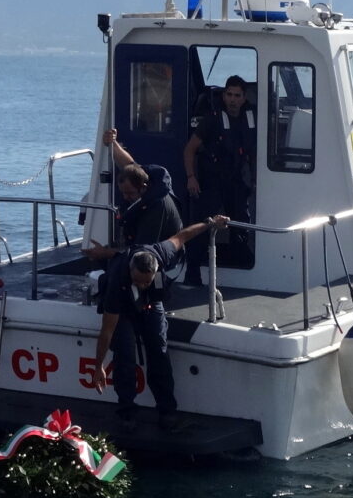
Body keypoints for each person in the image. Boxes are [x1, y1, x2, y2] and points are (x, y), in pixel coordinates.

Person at [85, 215, 229, 431]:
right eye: (138, 281)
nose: (142, 285)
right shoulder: (117, 282)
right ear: (130, 271)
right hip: (123, 309)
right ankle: (126, 412)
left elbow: (183, 235)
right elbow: (106, 331)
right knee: (124, 355)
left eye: (147, 281)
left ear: (156, 272)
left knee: (159, 352)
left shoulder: (161, 253)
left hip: (152, 306)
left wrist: (210, 224)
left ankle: (167, 411)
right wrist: (98, 367)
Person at [182, 75, 256, 279]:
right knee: (203, 224)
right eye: (229, 94)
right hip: (211, 180)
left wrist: (256, 178)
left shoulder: (251, 117)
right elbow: (189, 150)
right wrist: (191, 177)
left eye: (237, 95)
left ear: (244, 97)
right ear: (224, 96)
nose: (232, 99)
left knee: (241, 222)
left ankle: (241, 264)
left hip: (236, 180)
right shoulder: (212, 120)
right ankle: (193, 271)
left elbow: (253, 152)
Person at [89, 129, 182, 260]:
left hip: (160, 257)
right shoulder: (147, 180)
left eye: (130, 193)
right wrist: (112, 142)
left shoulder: (156, 206)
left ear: (143, 187)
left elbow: (142, 250)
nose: (126, 197)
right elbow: (129, 165)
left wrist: (106, 253)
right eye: (123, 193)